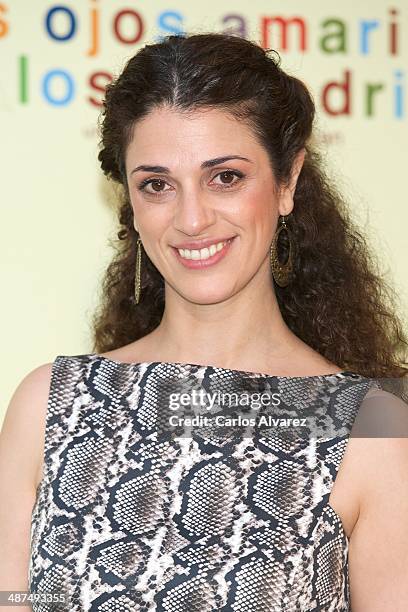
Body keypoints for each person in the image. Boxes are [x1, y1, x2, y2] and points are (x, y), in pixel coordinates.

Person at [1, 31, 408, 612]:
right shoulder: (48, 404)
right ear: (132, 203)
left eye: (225, 177)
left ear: (287, 182)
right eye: (158, 185)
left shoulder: (375, 431)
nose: (192, 219)